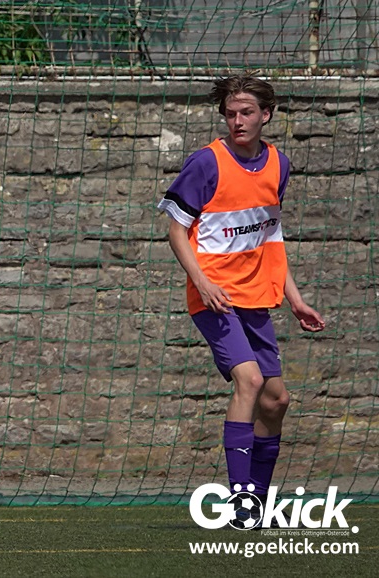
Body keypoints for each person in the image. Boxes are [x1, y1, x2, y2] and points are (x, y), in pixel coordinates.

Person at [157, 75, 325, 506]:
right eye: (231, 114)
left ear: (266, 115)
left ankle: (259, 500)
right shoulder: (206, 163)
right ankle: (241, 503)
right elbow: (176, 231)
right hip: (215, 298)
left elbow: (269, 238)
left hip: (257, 300)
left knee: (276, 400)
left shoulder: (279, 165)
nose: (238, 121)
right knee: (249, 381)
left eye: (247, 112)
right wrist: (202, 281)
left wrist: (295, 299)